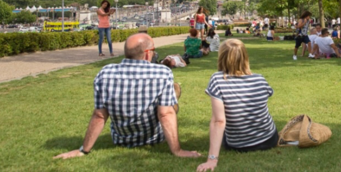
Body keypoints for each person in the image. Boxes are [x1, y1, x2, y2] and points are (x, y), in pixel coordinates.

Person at [54, 33, 199, 160]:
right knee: (171, 101)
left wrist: (84, 150)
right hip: (154, 137)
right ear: (147, 53)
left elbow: (100, 116)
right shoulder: (162, 73)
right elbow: (165, 114)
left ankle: (174, 94)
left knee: (170, 95)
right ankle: (175, 95)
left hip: (121, 139)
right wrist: (177, 150)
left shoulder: (105, 73)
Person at [196, 39, 278, 171]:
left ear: (221, 57)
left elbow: (218, 121)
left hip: (238, 143)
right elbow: (267, 96)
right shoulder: (260, 79)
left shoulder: (218, 80)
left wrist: (212, 159)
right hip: (268, 139)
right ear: (245, 56)